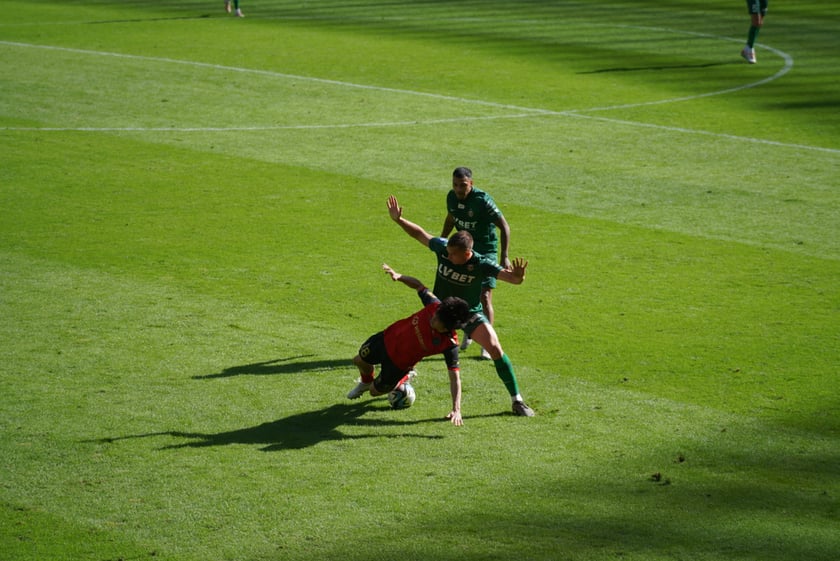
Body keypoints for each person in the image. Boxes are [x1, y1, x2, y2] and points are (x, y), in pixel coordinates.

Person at [387, 195, 535, 417]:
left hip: (468, 312)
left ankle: (517, 401)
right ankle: (398, 378)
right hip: (440, 310)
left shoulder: (480, 262)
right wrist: (399, 220)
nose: (447, 256)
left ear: (467, 254)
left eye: (453, 255)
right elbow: (421, 235)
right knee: (415, 345)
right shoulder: (444, 248)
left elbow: (512, 280)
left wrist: (519, 277)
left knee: (495, 347)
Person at [347, 264, 472, 426]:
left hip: (397, 365)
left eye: (437, 321)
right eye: (435, 315)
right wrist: (399, 276)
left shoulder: (449, 344)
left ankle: (403, 378)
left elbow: (455, 378)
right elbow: (419, 286)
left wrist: (457, 409)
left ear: (448, 327)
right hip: (386, 339)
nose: (433, 318)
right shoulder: (434, 306)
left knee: (374, 392)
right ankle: (365, 381)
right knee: (359, 360)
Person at [441, 167, 512, 360]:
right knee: (462, 291)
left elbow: (504, 226)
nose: (458, 189)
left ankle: (488, 345)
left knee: (485, 296)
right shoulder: (452, 198)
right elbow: (450, 219)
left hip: (485, 249)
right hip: (463, 251)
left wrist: (504, 256)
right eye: (455, 185)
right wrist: (442, 241)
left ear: (471, 183)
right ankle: (468, 331)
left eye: (463, 185)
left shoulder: (482, 201)